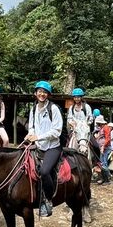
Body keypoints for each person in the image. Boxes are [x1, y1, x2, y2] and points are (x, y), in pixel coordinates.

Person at [24, 80, 63, 217]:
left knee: (45, 171)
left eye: (44, 92)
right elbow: (31, 126)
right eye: (39, 91)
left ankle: (48, 200)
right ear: (35, 93)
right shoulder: (33, 108)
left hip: (52, 147)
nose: (42, 94)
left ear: (48, 94)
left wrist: (38, 137)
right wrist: (30, 134)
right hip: (38, 146)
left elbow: (57, 131)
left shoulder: (54, 109)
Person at [94, 115, 112, 184]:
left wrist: (103, 147)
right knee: (101, 163)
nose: (97, 124)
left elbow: (107, 138)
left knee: (104, 163)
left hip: (105, 148)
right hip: (102, 147)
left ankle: (107, 180)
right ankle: (103, 179)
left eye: (98, 123)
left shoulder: (106, 127)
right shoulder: (101, 128)